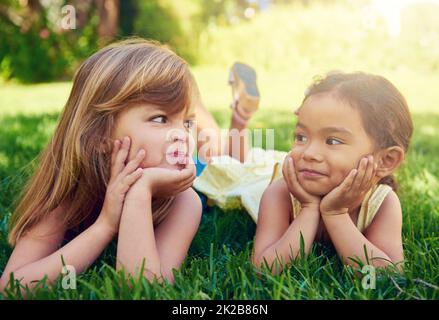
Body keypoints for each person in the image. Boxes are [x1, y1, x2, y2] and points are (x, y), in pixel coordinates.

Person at [0, 38, 207, 293]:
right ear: (100, 137)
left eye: (187, 122)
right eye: (160, 118)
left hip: (203, 180)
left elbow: (144, 290)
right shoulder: (69, 193)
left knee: (221, 162)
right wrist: (105, 225)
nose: (183, 136)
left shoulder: (184, 202)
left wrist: (140, 192)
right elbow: (12, 287)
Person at [252, 72, 413, 274]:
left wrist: (335, 213)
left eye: (333, 141)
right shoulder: (280, 192)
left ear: (385, 160)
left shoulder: (381, 203)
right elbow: (264, 269)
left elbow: (388, 276)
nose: (309, 153)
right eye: (301, 137)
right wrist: (309, 208)